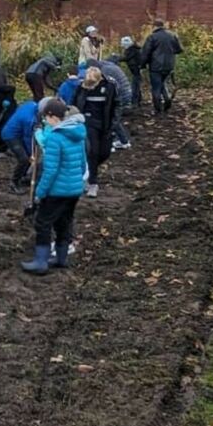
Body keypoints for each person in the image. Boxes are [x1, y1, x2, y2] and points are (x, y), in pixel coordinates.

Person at [23, 100, 85, 275]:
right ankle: (61, 258)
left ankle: (40, 261)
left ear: (52, 116)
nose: (45, 121)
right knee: (64, 222)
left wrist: (40, 192)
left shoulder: (55, 138)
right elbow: (82, 163)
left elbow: (50, 171)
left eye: (46, 118)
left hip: (57, 191)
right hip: (74, 189)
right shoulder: (78, 133)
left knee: (42, 223)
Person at [74, 67, 116, 197]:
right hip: (87, 123)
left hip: (104, 124)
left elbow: (115, 105)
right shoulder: (81, 88)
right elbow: (74, 104)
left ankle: (88, 169)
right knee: (93, 152)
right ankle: (92, 182)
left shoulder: (109, 87)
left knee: (104, 152)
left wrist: (114, 122)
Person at [141, 21, 184, 115]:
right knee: (163, 83)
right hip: (169, 65)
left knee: (156, 87)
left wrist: (142, 64)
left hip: (155, 66)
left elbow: (146, 53)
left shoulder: (152, 37)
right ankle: (167, 100)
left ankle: (157, 109)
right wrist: (170, 52)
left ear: (154, 26)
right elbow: (180, 49)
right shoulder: (172, 35)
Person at [1, 99, 42, 192]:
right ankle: (14, 183)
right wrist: (32, 154)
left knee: (27, 158)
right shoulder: (29, 120)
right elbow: (28, 138)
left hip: (18, 133)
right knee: (24, 159)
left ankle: (23, 177)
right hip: (10, 135)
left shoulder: (32, 104)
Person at [95, 58, 134, 149]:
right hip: (125, 94)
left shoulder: (105, 71)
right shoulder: (110, 66)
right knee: (115, 119)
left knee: (110, 118)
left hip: (121, 97)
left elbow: (107, 86)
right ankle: (123, 140)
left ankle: (113, 141)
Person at [119, 35, 145, 107]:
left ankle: (135, 102)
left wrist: (116, 58)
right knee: (137, 86)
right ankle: (138, 100)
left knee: (135, 86)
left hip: (136, 70)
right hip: (136, 70)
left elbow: (126, 58)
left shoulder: (132, 50)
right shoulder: (135, 49)